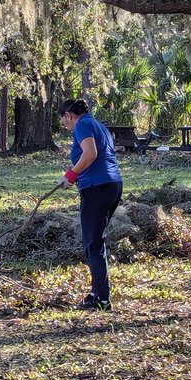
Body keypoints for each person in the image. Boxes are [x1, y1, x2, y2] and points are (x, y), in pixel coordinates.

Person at [58, 98, 122, 311]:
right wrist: (72, 174)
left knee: (92, 244)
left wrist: (71, 174)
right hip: (112, 185)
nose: (65, 126)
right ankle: (98, 293)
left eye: (63, 121)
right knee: (96, 242)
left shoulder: (82, 124)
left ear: (68, 115)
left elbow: (91, 154)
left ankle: (101, 298)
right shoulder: (99, 126)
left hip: (97, 187)